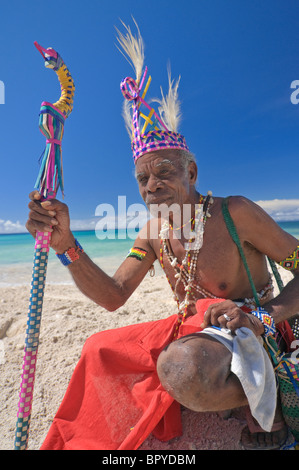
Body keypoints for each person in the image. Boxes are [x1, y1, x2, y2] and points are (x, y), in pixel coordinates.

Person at [26, 24, 299, 450]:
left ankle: (270, 413)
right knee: (99, 348)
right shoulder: (154, 233)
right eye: (142, 179)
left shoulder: (235, 213)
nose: (151, 186)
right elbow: (115, 295)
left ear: (191, 172)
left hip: (257, 327)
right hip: (198, 331)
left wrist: (262, 316)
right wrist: (67, 246)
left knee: (180, 368)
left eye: (164, 173)